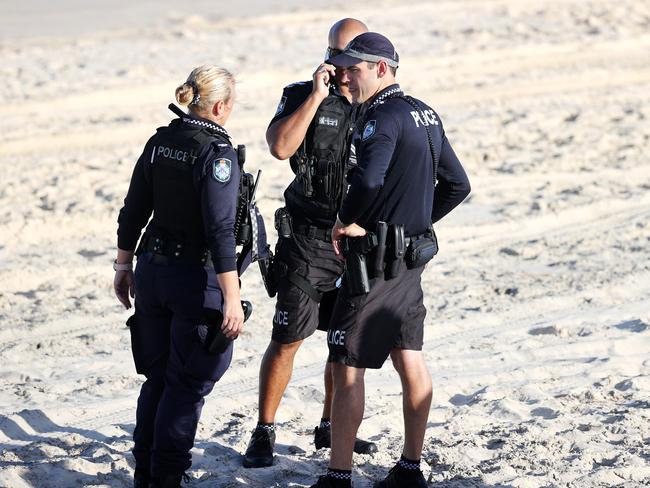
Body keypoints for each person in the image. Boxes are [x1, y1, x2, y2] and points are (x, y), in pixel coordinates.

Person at [310, 33, 471, 488]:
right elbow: (458, 184)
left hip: (375, 265)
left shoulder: (379, 117)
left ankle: (339, 475)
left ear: (382, 68)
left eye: (353, 69)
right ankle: (410, 468)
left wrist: (345, 220)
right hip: (409, 262)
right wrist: (416, 226)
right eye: (340, 68)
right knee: (409, 356)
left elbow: (368, 180)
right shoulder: (425, 112)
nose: (344, 76)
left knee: (347, 364)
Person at [243, 18, 378, 469]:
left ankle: (330, 426)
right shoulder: (301, 93)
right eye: (336, 57)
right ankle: (264, 428)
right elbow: (280, 148)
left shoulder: (380, 104)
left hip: (358, 241)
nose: (343, 68)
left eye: (351, 59)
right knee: (287, 337)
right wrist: (317, 96)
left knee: (343, 343)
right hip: (307, 237)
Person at [114, 65, 251, 488]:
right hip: (195, 279)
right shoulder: (218, 154)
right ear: (221, 106)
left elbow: (133, 209)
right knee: (189, 382)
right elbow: (220, 230)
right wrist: (231, 297)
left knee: (159, 378)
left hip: (152, 274)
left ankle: (147, 473)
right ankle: (167, 476)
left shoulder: (160, 141)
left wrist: (123, 266)